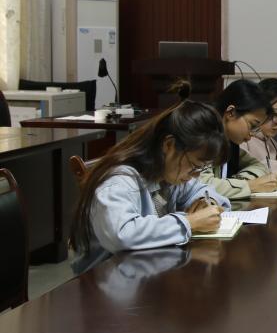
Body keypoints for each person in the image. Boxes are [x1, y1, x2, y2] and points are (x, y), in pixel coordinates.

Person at [68, 99, 231, 274]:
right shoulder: (119, 180)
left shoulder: (167, 173)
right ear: (169, 145)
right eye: (194, 166)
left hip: (144, 272)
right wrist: (190, 222)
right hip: (105, 279)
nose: (196, 175)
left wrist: (207, 202)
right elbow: (122, 235)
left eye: (202, 169)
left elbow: (199, 189)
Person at [199, 79, 277, 200]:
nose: (250, 136)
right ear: (231, 113)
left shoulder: (229, 141)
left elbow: (259, 166)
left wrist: (238, 182)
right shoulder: (201, 134)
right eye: (252, 126)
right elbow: (202, 186)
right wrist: (250, 186)